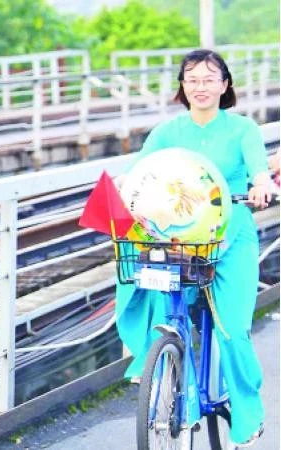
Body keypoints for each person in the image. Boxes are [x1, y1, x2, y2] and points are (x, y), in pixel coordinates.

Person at [115, 49, 275, 446]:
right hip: (179, 236)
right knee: (144, 276)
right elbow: (141, 172)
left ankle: (247, 412)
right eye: (191, 79)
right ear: (182, 87)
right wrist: (123, 183)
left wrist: (261, 184)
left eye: (208, 79)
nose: (200, 86)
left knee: (233, 330)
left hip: (229, 235)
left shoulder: (242, 130)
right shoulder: (167, 132)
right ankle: (162, 369)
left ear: (225, 85)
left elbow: (258, 167)